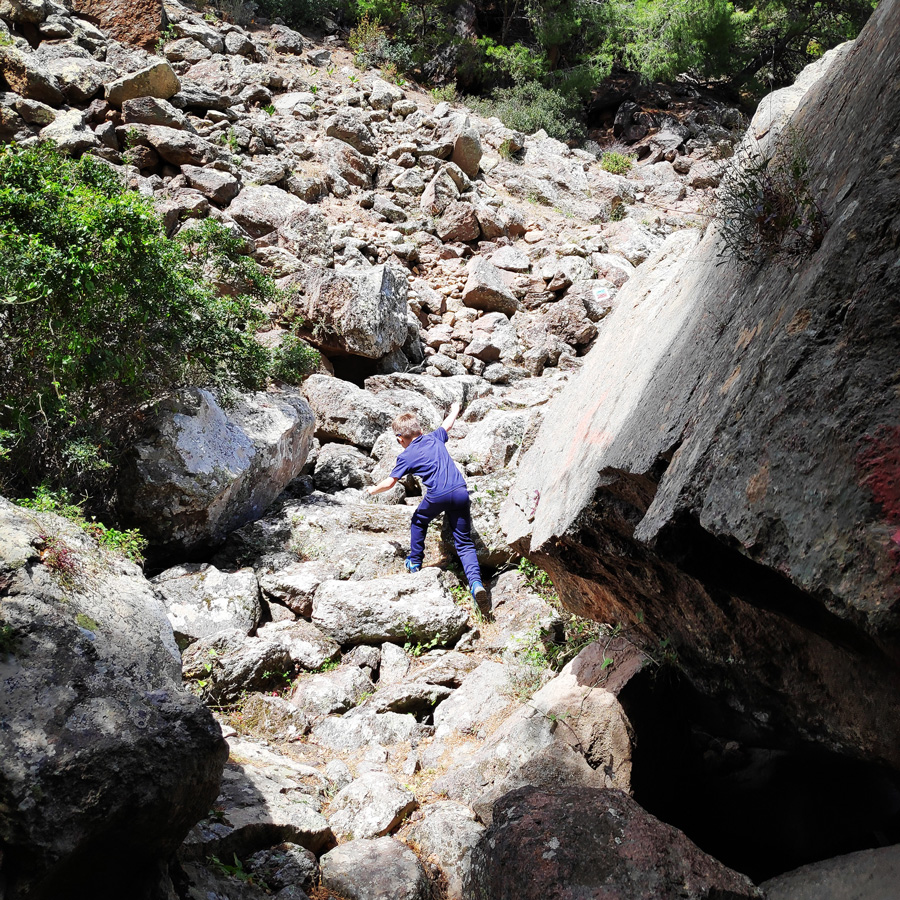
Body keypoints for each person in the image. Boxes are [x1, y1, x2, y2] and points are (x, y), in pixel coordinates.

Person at [367, 399, 487, 601]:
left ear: (400, 439)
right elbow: (447, 424)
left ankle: (415, 562)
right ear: (420, 430)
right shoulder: (434, 437)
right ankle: (476, 584)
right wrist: (456, 409)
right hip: (459, 491)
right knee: (464, 543)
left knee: (419, 520)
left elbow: (389, 483)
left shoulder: (406, 456)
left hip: (437, 496)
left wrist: (371, 490)